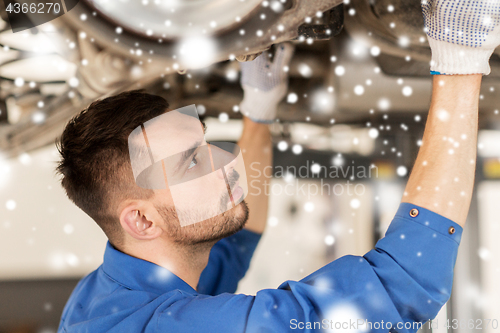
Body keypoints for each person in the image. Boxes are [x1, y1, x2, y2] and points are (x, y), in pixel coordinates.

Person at [57, 1, 499, 332]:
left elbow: (239, 241)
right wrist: (460, 54)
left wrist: (259, 111)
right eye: (192, 162)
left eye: (204, 144)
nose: (226, 161)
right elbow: (402, 287)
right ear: (140, 219)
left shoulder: (125, 286)